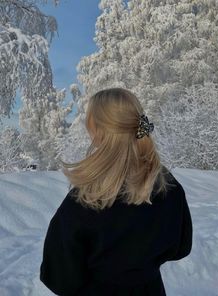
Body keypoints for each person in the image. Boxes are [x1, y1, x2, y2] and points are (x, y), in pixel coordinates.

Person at [40, 87, 193, 295]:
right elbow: (181, 247)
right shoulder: (167, 185)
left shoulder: (87, 198)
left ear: (98, 131)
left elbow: (60, 277)